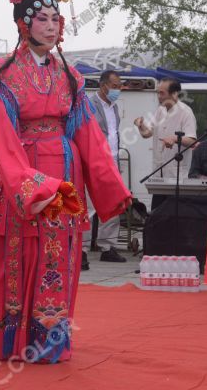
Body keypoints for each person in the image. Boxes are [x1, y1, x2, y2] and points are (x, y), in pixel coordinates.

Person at [0, 0, 131, 363]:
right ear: (23, 24)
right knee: (7, 255)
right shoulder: (4, 74)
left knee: (56, 256)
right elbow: (5, 138)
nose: (51, 25)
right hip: (20, 173)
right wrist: (28, 184)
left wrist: (110, 185)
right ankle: (3, 339)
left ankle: (47, 341)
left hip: (64, 172)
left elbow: (89, 137)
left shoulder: (71, 76)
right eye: (42, 18)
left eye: (55, 19)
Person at [82, 70, 127, 269]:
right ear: (103, 86)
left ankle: (108, 248)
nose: (118, 90)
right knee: (89, 207)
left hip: (113, 161)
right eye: (115, 86)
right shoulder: (89, 105)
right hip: (94, 162)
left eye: (119, 86)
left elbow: (113, 134)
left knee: (113, 205)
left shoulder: (114, 107)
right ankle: (81, 250)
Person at [134, 78, 197, 211]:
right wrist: (140, 126)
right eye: (158, 93)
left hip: (176, 176)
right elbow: (148, 133)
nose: (158, 97)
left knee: (175, 214)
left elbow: (192, 140)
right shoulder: (160, 111)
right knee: (157, 213)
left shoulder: (186, 112)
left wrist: (175, 138)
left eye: (162, 93)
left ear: (174, 94)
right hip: (159, 175)